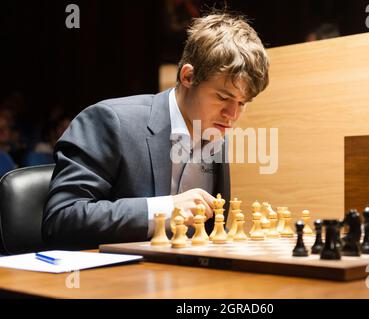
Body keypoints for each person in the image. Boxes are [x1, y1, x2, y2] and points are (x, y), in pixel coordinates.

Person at [42, 13, 270, 249]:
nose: (232, 115)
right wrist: (167, 209)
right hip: (117, 281)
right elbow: (61, 220)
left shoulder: (216, 133)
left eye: (243, 103)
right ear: (188, 76)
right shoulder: (110, 121)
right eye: (223, 97)